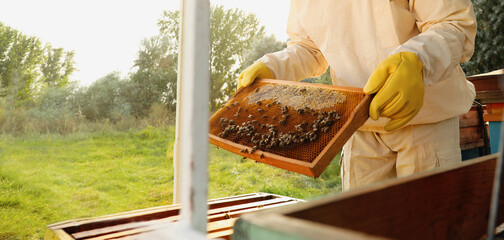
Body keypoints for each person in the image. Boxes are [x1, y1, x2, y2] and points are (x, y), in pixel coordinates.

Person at [237, 0, 477, 190]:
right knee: (361, 228)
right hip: (357, 125)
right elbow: (310, 49)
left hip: (426, 120)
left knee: (427, 228)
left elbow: (453, 24)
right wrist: (273, 67)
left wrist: (418, 60)